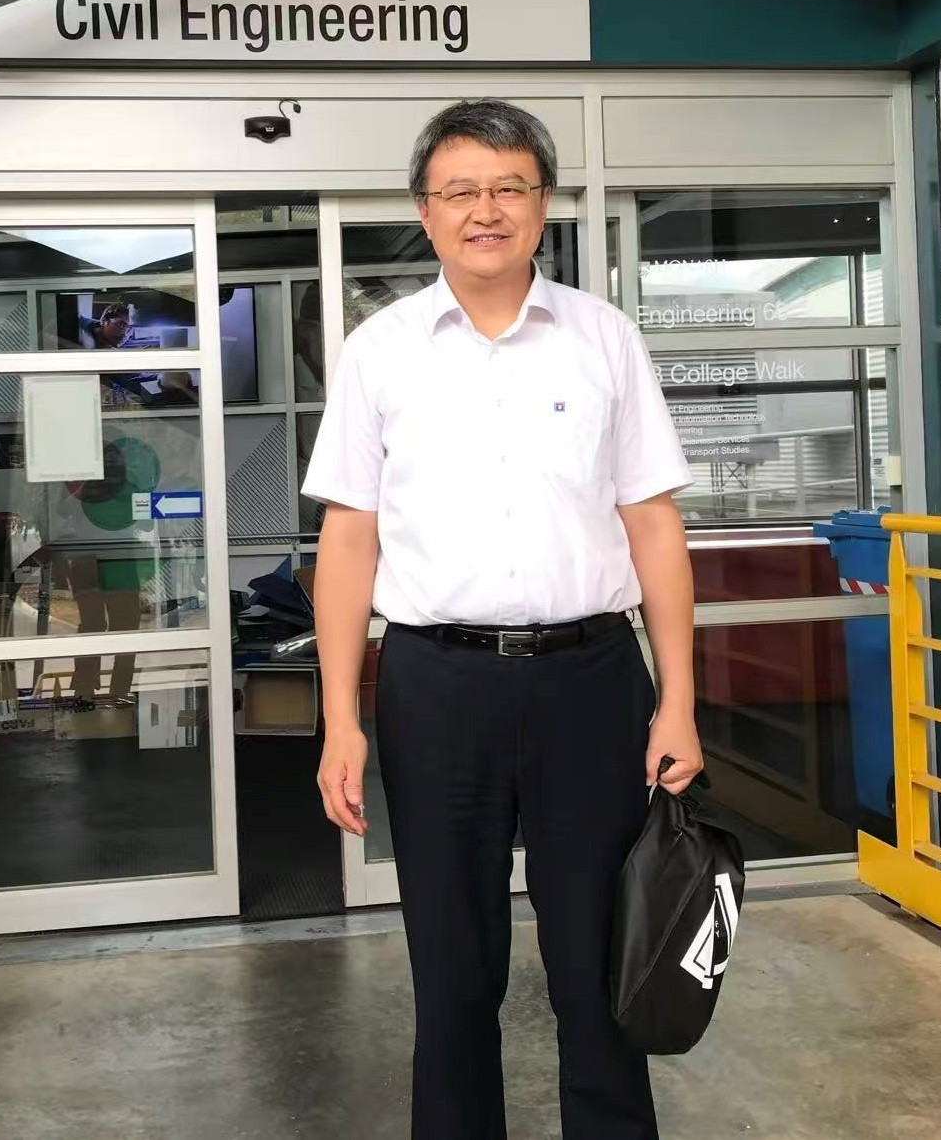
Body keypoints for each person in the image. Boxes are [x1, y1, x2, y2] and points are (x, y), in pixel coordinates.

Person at [301, 99, 703, 1140]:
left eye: (508, 187)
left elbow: (653, 525)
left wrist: (679, 703)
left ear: (543, 202)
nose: (485, 210)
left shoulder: (604, 338)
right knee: (451, 971)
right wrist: (340, 718)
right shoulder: (381, 351)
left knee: (601, 962)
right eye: (461, 191)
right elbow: (348, 539)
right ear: (424, 212)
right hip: (436, 685)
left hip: (591, 682)